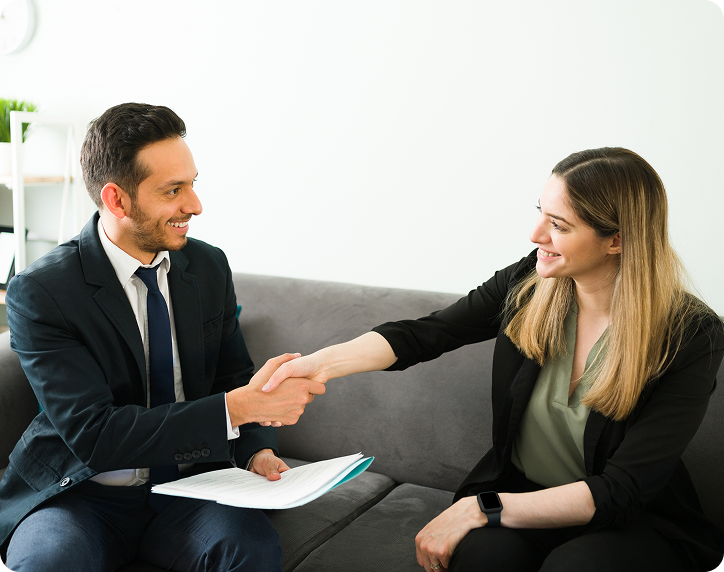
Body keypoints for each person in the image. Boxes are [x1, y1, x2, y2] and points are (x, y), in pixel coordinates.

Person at [261, 147, 724, 572]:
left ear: (616, 241)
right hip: (523, 492)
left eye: (560, 225)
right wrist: (320, 364)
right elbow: (428, 333)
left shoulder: (689, 334)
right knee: (482, 560)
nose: (536, 233)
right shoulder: (531, 280)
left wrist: (482, 507)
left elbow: (623, 490)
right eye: (541, 212)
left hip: (626, 519)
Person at [1, 102, 326, 572]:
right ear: (117, 200)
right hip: (84, 494)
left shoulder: (208, 266)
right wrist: (237, 408)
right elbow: (95, 435)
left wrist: (257, 447)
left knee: (250, 552)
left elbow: (232, 375)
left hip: (192, 490)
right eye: (173, 190)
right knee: (46, 563)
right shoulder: (43, 291)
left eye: (193, 184)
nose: (194, 205)